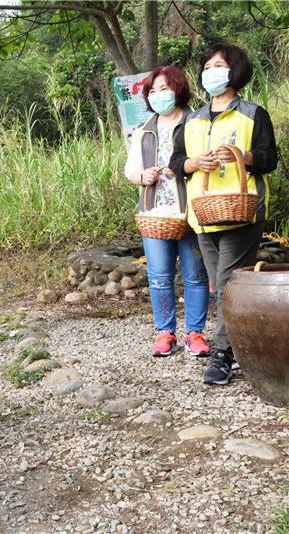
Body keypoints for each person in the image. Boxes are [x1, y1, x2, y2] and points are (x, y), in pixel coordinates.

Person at [169, 44, 278, 385]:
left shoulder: (252, 114)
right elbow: (176, 162)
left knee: (229, 284)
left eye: (219, 65)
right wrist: (192, 163)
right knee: (223, 287)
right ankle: (243, 345)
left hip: (242, 211)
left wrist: (241, 157)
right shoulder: (192, 120)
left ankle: (222, 356)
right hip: (204, 212)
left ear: (235, 71)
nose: (210, 71)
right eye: (207, 66)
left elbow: (268, 158)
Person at [124, 66, 210, 358]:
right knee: (159, 276)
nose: (158, 95)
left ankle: (195, 333)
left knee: (196, 275)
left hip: (192, 211)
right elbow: (130, 169)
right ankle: (165, 333)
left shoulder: (196, 122)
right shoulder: (145, 130)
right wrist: (142, 176)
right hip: (155, 214)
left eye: (165, 88)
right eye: (153, 90)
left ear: (178, 89)